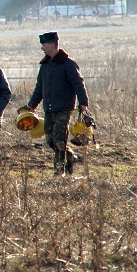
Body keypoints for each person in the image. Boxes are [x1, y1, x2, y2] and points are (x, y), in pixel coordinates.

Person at [18, 32, 90, 176]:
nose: (42, 48)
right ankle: (69, 156)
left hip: (64, 108)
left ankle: (59, 172)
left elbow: (78, 84)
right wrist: (32, 105)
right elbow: (39, 88)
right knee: (50, 140)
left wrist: (83, 102)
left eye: (44, 45)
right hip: (49, 109)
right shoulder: (45, 66)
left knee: (59, 139)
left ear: (52, 45)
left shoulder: (68, 64)